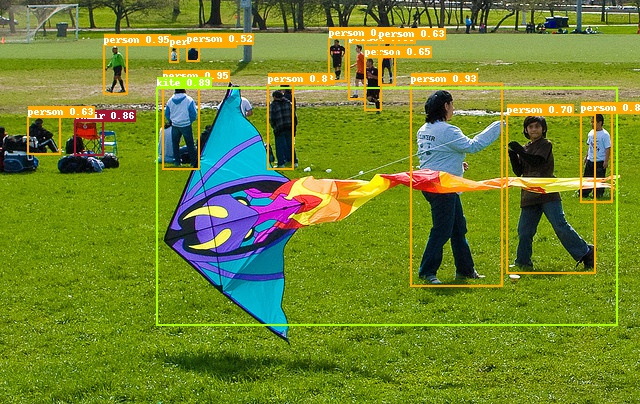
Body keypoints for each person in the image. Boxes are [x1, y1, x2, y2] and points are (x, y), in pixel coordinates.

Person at [417, 90, 502, 284]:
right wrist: (498, 126)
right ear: (446, 106)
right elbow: (472, 146)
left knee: (458, 229)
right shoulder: (448, 130)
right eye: (452, 105)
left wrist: (457, 163)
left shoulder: (424, 129)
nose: (453, 109)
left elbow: (434, 154)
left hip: (434, 183)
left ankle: (465, 270)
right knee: (442, 230)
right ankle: (427, 272)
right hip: (442, 186)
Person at [508, 116, 594, 270]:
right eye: (530, 127)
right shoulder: (526, 148)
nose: (534, 129)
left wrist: (520, 151)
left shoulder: (546, 144)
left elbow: (537, 162)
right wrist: (513, 155)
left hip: (548, 193)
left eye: (537, 126)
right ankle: (522, 262)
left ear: (543, 129)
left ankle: (587, 253)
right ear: (526, 130)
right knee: (524, 230)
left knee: (560, 225)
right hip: (529, 194)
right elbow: (519, 171)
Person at [164, 89, 198, 168]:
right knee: (190, 144)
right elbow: (193, 113)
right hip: (186, 124)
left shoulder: (170, 101)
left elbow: (167, 114)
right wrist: (190, 121)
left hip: (175, 125)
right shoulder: (188, 100)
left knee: (175, 144)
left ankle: (177, 161)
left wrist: (171, 121)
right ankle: (193, 162)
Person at [581, 114, 611, 198]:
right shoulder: (591, 133)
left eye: (593, 122)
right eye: (591, 122)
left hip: (599, 161)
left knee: (599, 178)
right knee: (587, 178)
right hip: (590, 160)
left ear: (600, 123)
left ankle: (598, 194)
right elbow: (590, 146)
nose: (592, 124)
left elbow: (608, 148)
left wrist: (606, 160)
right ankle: (584, 193)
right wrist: (586, 156)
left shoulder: (605, 135)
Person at [269, 90, 296, 168]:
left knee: (280, 146)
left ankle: (281, 163)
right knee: (290, 145)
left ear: (274, 97)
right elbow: (294, 116)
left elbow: (271, 118)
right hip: (289, 127)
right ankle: (293, 161)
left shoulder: (273, 105)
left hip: (279, 128)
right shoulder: (288, 103)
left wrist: (274, 126)